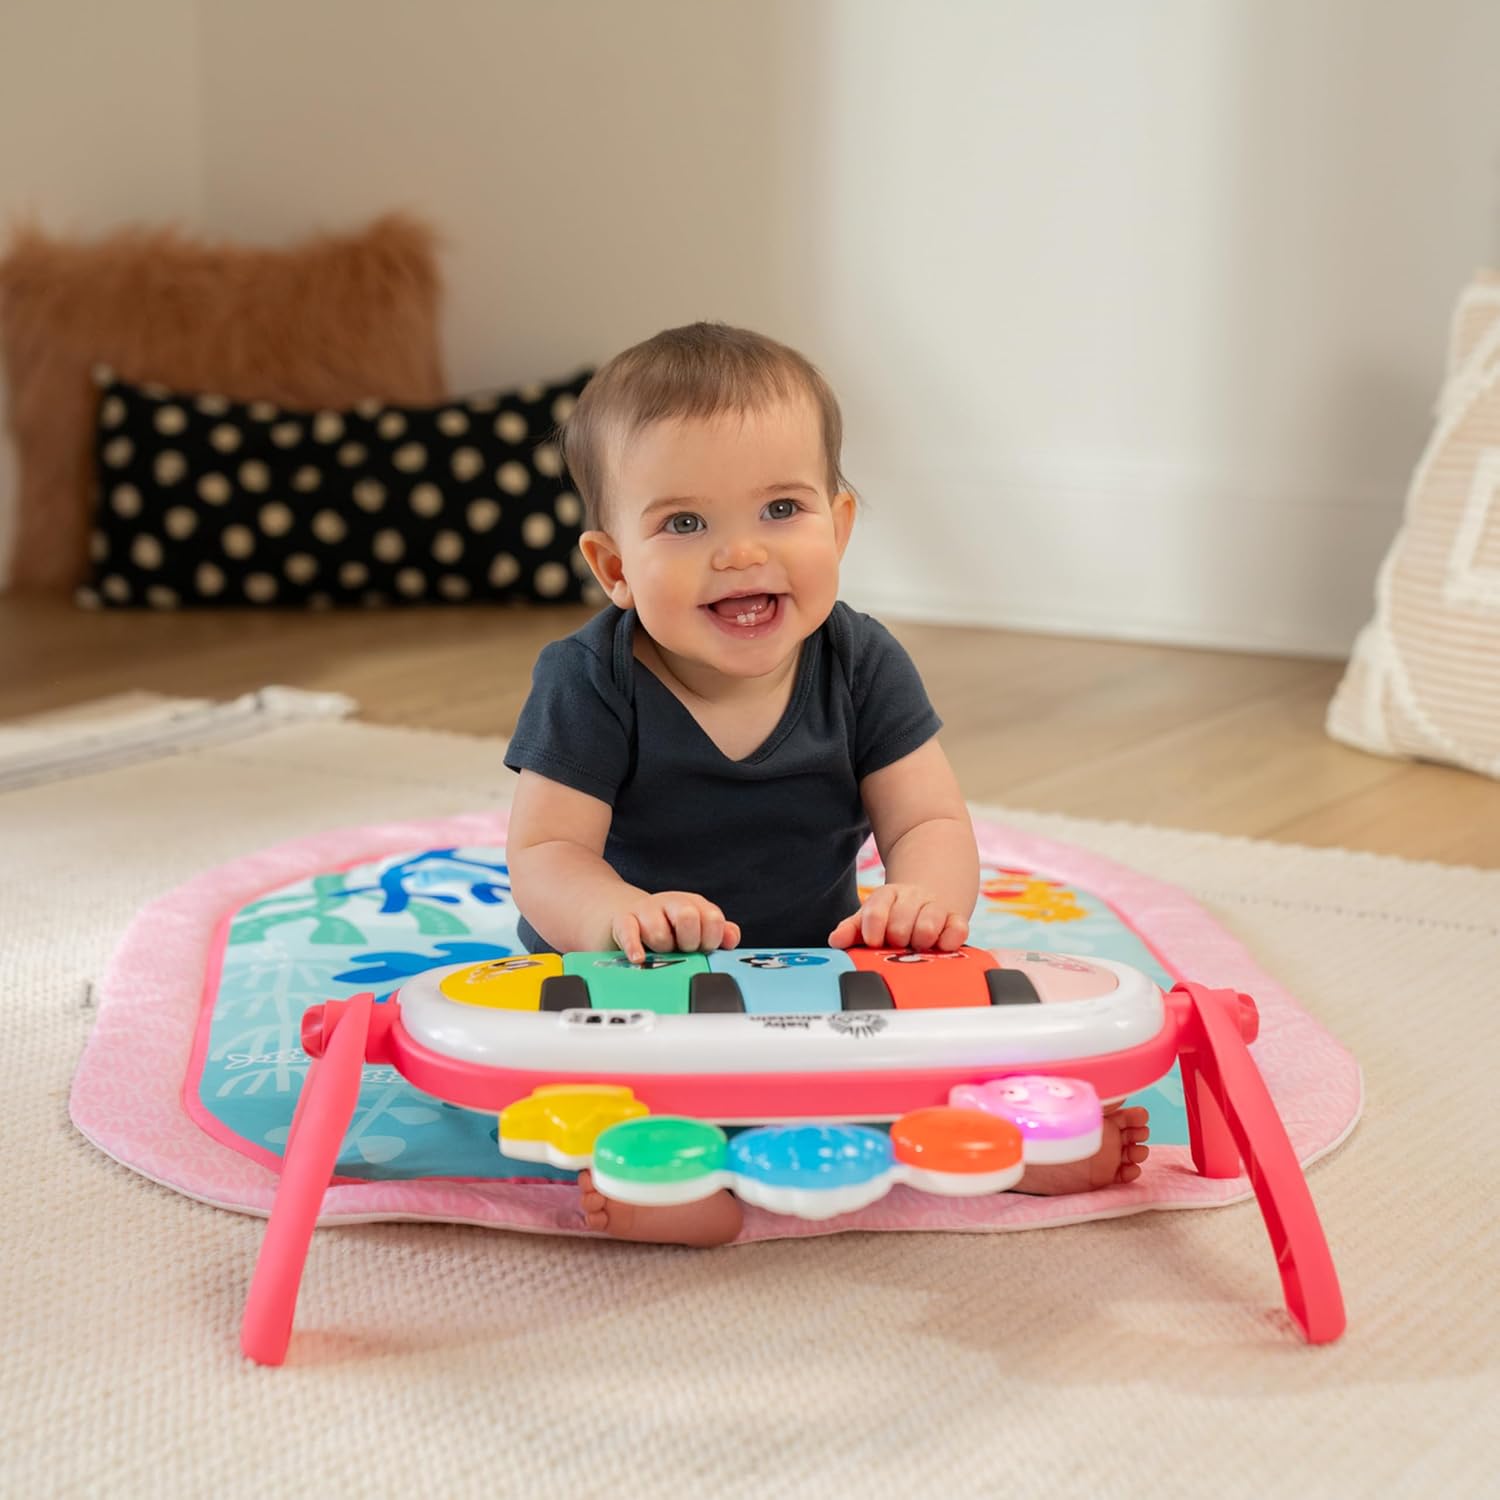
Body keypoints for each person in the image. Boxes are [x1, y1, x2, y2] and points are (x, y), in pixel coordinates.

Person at [504, 323, 1148, 1244]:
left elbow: (926, 819)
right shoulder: (589, 680)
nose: (739, 553)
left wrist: (921, 901)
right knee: (591, 1077)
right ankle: (665, 1174)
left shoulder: (860, 661)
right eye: (685, 524)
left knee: (947, 1027)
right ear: (614, 568)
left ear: (838, 525)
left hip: (823, 977)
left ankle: (1008, 1142)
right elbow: (547, 850)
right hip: (636, 984)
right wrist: (615, 916)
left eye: (780, 510)